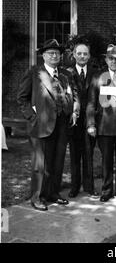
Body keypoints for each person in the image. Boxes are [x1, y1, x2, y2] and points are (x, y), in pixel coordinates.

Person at [17, 39, 79, 211]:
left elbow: (72, 95)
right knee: (41, 164)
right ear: (43, 55)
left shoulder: (66, 74)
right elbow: (21, 98)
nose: (54, 55)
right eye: (50, 53)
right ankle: (37, 197)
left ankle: (52, 193)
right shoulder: (34, 73)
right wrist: (32, 117)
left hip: (62, 124)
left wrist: (73, 110)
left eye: (57, 53)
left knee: (57, 161)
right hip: (41, 125)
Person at [86, 44, 116, 203]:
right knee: (106, 160)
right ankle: (106, 190)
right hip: (104, 125)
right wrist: (91, 124)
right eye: (110, 58)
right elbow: (91, 103)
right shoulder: (98, 77)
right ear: (106, 59)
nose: (114, 62)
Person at [67, 41, 99, 198]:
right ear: (74, 55)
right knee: (74, 155)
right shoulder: (67, 73)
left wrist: (93, 121)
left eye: (85, 53)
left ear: (89, 56)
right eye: (79, 53)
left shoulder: (96, 73)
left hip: (90, 120)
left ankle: (89, 186)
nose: (82, 56)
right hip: (73, 121)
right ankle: (74, 187)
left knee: (88, 153)